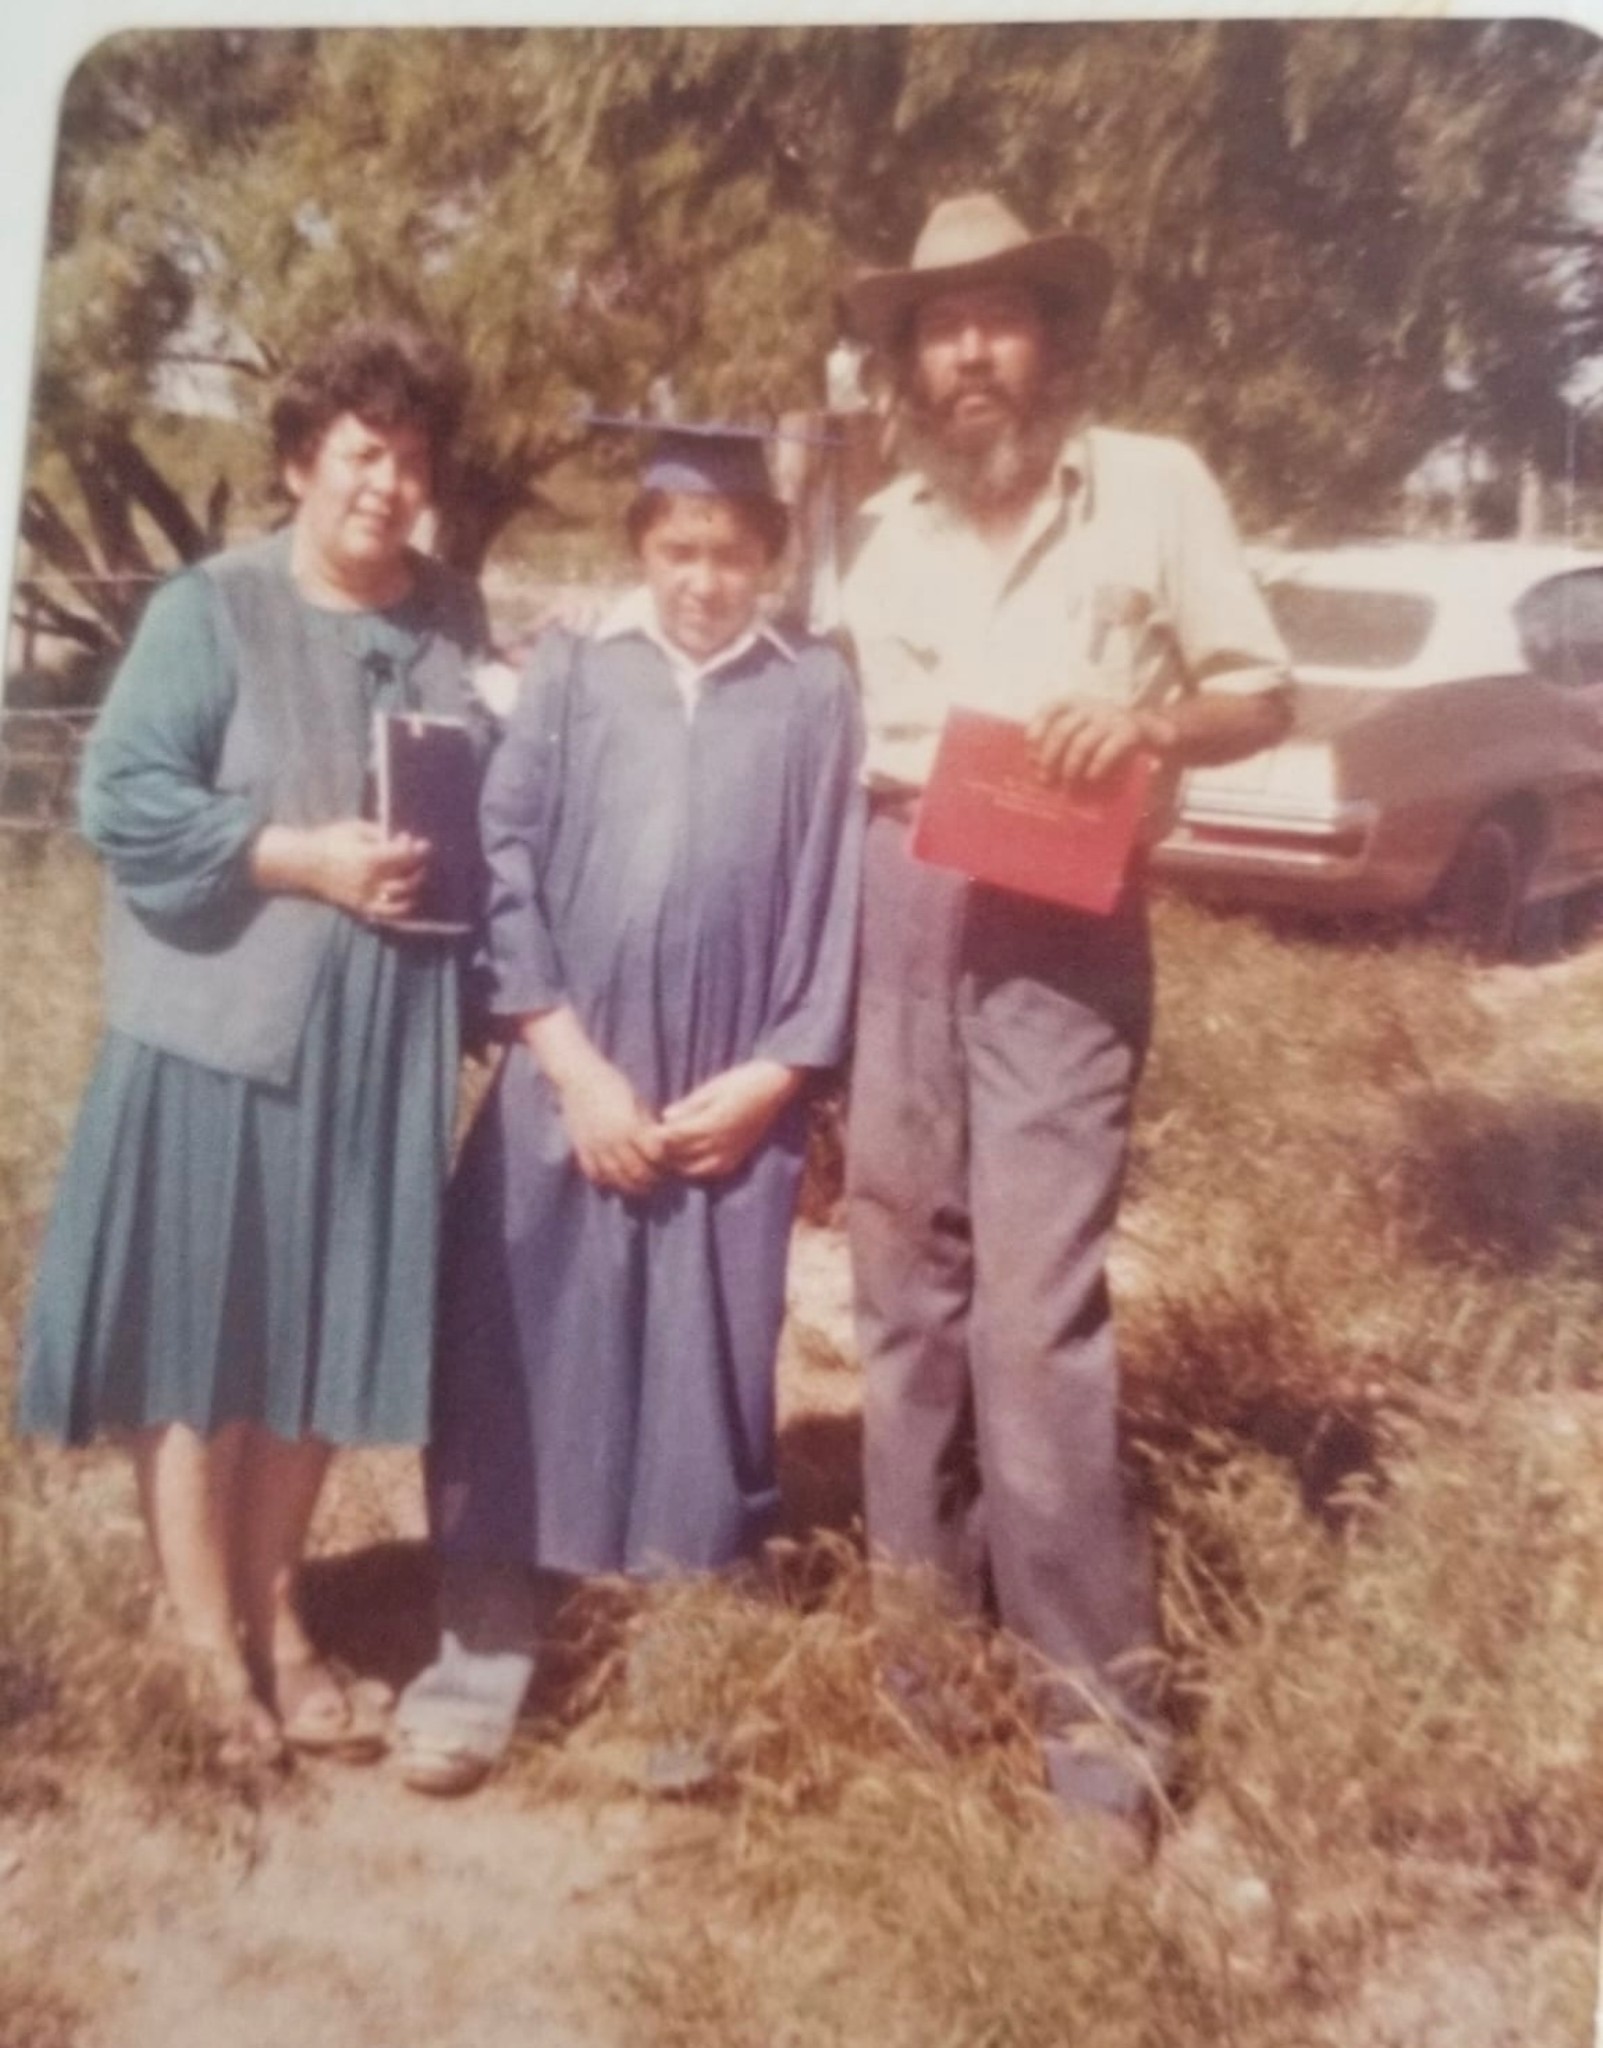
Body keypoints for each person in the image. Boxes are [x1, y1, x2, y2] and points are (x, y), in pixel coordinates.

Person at [839, 193, 1291, 1836]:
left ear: (1053, 334)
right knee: (901, 1303)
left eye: (999, 317)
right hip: (896, 890)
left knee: (1033, 1328)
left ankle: (1100, 1753)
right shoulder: (880, 522)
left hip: (1061, 913)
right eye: (938, 326)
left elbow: (1265, 688)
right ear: (907, 358)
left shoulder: (1151, 484)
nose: (969, 352)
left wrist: (1152, 718)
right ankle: (924, 1690)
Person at [18, 321, 486, 1767]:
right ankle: (202, 1644)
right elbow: (124, 797)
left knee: (322, 1343)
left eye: (410, 459)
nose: (385, 484)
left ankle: (283, 1617)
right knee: (202, 1349)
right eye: (359, 454)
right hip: (219, 1033)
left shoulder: (454, 617)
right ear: (297, 463)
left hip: (380, 1038)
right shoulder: (208, 607)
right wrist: (294, 856)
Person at [394, 424, 865, 1795]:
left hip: (733, 1088)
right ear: (638, 551)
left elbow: (837, 891)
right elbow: (505, 853)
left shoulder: (813, 695)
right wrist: (569, 1059)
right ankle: (480, 1658)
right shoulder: (577, 678)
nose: (703, 579)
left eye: (729, 553)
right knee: (514, 1344)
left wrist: (781, 1071)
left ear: (769, 556)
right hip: (568, 1068)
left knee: (705, 1372)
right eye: (676, 551)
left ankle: (688, 1674)